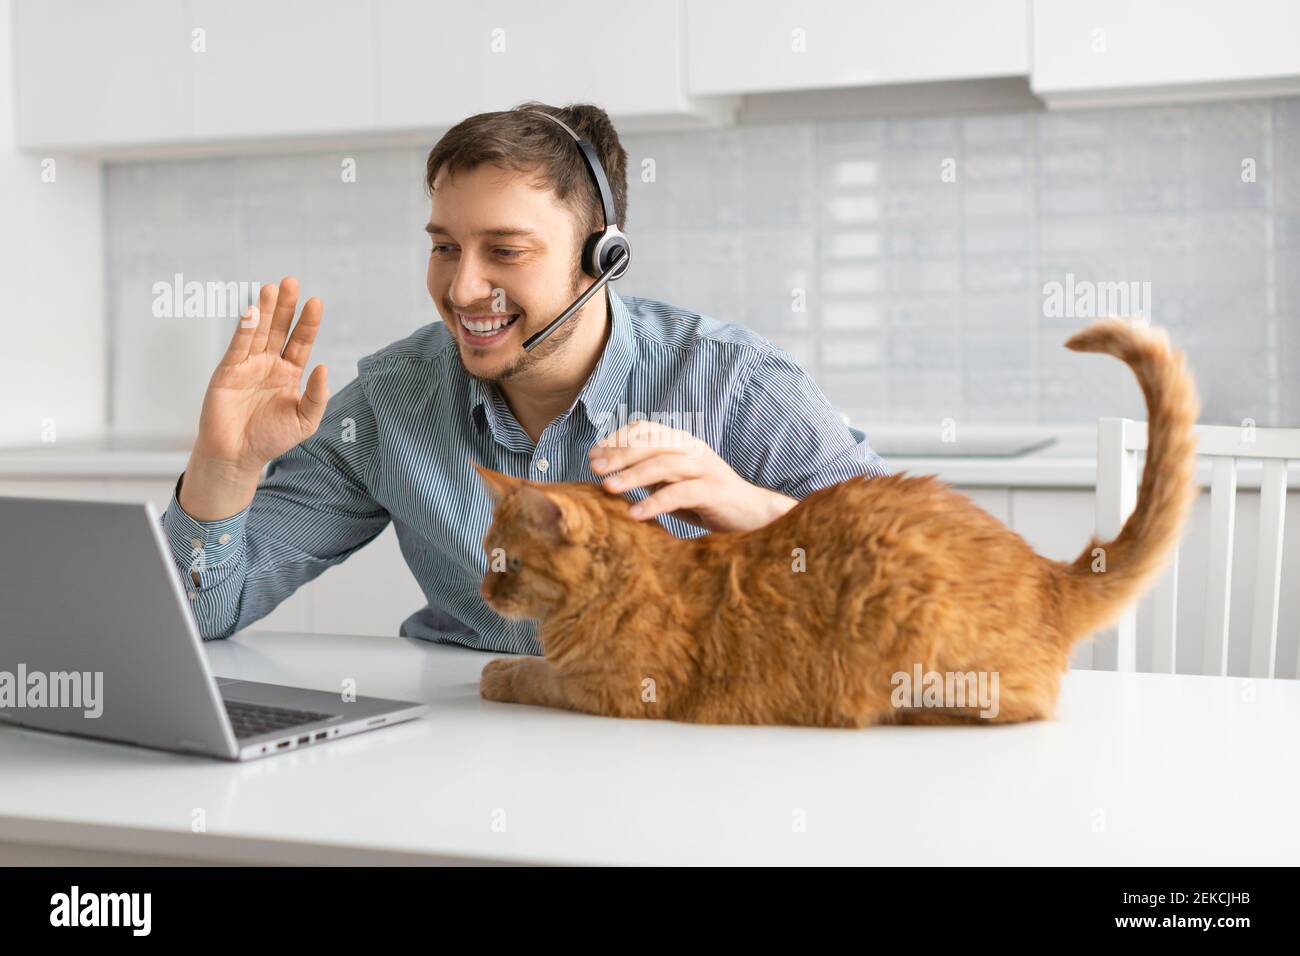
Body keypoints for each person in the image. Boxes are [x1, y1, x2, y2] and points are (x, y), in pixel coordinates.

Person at [161, 102, 889, 652]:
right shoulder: (389, 405)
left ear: (602, 258)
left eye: (505, 252)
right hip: (473, 735)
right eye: (446, 247)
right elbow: (200, 617)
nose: (464, 288)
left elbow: (913, 581)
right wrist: (223, 469)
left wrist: (755, 513)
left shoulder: (735, 384)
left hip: (680, 743)